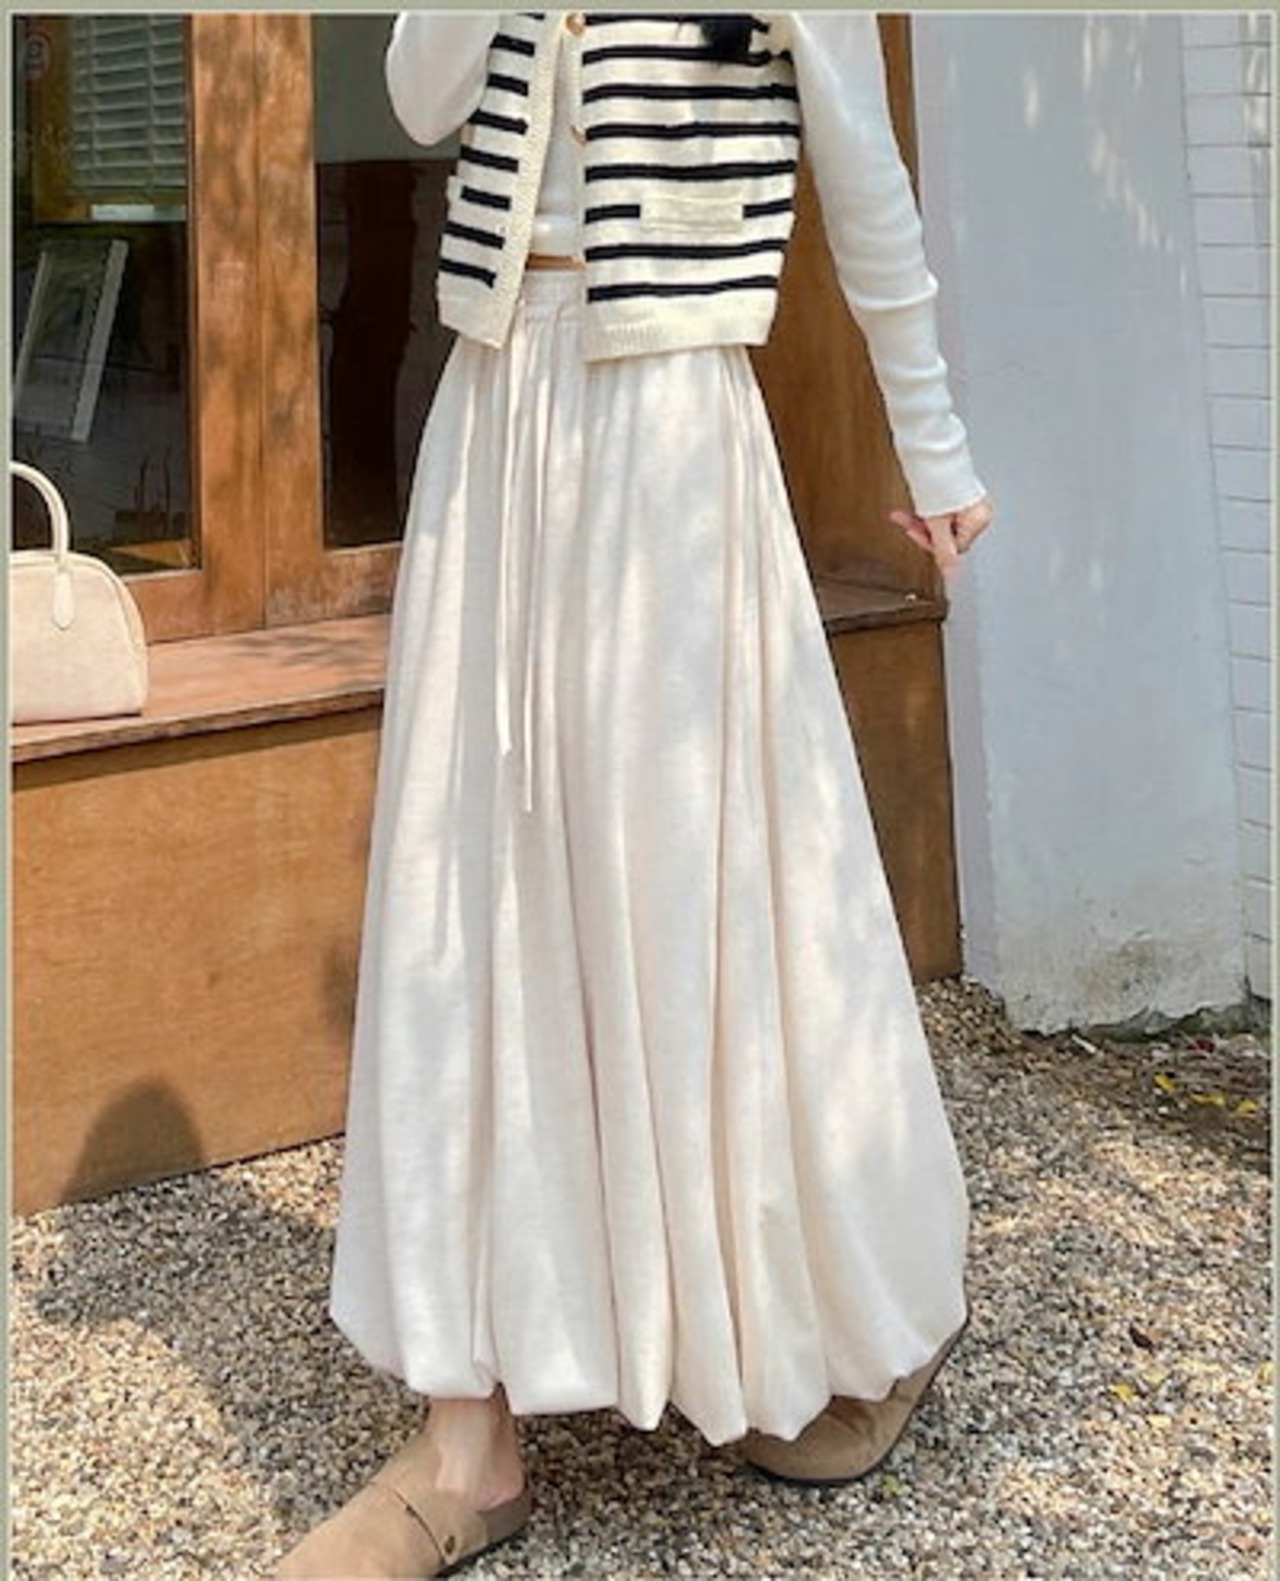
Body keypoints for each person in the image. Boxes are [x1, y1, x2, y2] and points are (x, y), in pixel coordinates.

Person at [278, 11, 994, 1577]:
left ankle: (809, 1302)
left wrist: (930, 439)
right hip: (493, 401)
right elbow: (418, 94)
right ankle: (468, 1433)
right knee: (472, 880)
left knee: (698, 874)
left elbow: (864, 178)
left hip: (672, 418)